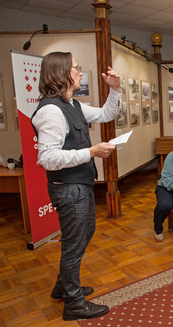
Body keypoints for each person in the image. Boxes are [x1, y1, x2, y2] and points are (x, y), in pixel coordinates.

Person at [31, 52, 121, 321]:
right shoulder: (51, 111)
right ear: (61, 73)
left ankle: (63, 286)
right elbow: (47, 158)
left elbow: (107, 113)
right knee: (74, 244)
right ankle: (74, 303)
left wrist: (115, 89)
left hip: (80, 185)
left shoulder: (73, 105)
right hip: (69, 189)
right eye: (76, 68)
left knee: (83, 235)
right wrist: (91, 152)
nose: (80, 72)